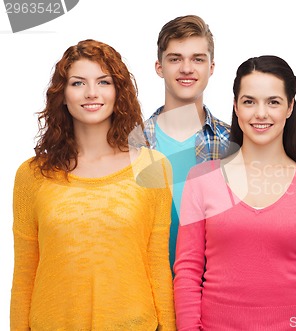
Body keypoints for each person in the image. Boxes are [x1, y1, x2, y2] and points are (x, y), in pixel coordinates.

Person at [10, 39, 176, 330]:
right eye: (77, 83)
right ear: (62, 95)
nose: (91, 93)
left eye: (103, 81)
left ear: (118, 92)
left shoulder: (153, 167)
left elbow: (157, 265)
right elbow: (24, 273)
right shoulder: (31, 175)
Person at [173, 55, 296, 330]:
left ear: (289, 108)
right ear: (236, 107)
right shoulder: (202, 180)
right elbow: (188, 272)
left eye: (273, 102)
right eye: (249, 102)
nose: (260, 113)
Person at [143, 15, 231, 273]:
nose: (186, 68)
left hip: (213, 290)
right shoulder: (131, 144)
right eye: (175, 59)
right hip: (147, 291)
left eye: (197, 59)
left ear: (211, 67)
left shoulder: (235, 142)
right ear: (159, 67)